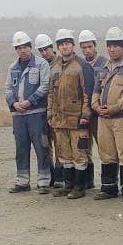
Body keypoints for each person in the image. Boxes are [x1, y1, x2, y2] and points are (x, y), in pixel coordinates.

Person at [90, 27, 123, 201]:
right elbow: (96, 90)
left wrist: (114, 108)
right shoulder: (104, 66)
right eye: (109, 46)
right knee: (106, 152)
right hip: (103, 119)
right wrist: (96, 106)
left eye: (116, 46)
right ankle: (108, 187)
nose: (112, 49)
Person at [48, 28, 96, 200]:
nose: (64, 47)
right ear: (58, 47)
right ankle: (68, 185)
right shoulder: (54, 67)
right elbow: (50, 93)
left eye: (67, 43)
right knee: (64, 155)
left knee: (80, 154)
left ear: (73, 45)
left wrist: (85, 115)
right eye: (61, 44)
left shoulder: (82, 66)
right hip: (59, 120)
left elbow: (87, 93)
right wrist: (50, 114)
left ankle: (79, 186)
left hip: (77, 120)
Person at [3, 31, 51, 194]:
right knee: (21, 148)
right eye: (18, 48)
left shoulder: (41, 64)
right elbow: (8, 88)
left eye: (24, 47)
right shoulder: (12, 67)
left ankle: (44, 181)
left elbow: (45, 86)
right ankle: (22, 181)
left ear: (30, 47)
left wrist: (29, 101)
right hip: (18, 116)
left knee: (41, 147)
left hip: (36, 113)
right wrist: (14, 103)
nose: (22, 51)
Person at [35, 33, 62, 191]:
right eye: (41, 50)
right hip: (42, 111)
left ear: (52, 48)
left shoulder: (60, 63)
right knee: (45, 145)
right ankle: (49, 175)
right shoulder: (38, 65)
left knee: (60, 145)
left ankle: (60, 176)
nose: (44, 53)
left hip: (58, 111)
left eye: (46, 49)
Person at [80, 29, 107, 190]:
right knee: (84, 147)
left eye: (89, 46)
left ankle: (108, 181)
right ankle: (87, 181)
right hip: (83, 114)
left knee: (104, 148)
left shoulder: (105, 63)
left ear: (95, 45)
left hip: (99, 115)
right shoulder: (79, 65)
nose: (87, 50)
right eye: (83, 47)